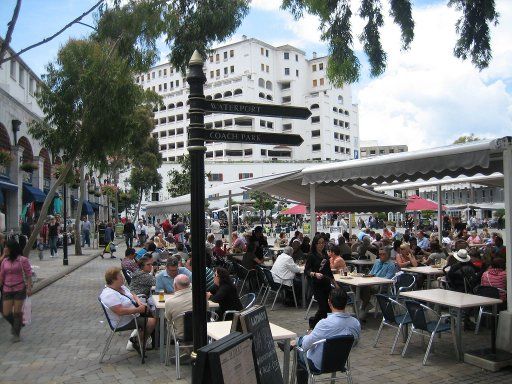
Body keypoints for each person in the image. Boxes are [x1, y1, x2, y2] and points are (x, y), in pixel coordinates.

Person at [295, 288, 361, 384]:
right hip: (340, 362)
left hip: (319, 364)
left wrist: (303, 339)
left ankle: (293, 343)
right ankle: (294, 342)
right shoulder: (355, 323)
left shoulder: (324, 324)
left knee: (299, 349)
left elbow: (305, 346)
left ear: (329, 302)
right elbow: (354, 343)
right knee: (309, 340)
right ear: (346, 303)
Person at [99, 267, 156, 356]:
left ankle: (148, 340)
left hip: (133, 314)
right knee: (152, 321)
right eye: (120, 276)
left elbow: (132, 294)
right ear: (114, 279)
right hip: (123, 320)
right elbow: (120, 311)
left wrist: (139, 302)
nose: (123, 278)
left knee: (154, 313)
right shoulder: (109, 295)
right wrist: (138, 309)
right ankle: (138, 341)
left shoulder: (121, 287)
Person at [0, 240, 32, 342]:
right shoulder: (4, 261)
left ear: (12, 249)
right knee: (6, 313)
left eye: (6, 247)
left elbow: (28, 274)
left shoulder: (22, 260)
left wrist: (29, 287)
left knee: (17, 312)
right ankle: (18, 324)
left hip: (19, 288)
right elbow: (1, 275)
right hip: (7, 289)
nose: (4, 249)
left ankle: (16, 333)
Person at [305, 235, 334, 329]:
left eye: (323, 242)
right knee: (323, 307)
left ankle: (325, 327)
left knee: (329, 308)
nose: (321, 245)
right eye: (319, 243)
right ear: (315, 244)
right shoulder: (311, 255)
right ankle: (313, 322)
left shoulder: (325, 255)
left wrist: (335, 284)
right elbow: (307, 271)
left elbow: (329, 271)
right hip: (317, 285)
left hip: (326, 284)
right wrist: (315, 274)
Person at [360, 247, 396, 318]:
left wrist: (375, 280)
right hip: (371, 283)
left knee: (365, 288)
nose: (381, 256)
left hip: (382, 286)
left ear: (388, 255)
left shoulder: (391, 265)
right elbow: (371, 272)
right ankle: (367, 304)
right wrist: (367, 276)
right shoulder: (377, 261)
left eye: (383, 254)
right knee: (356, 286)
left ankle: (364, 307)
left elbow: (387, 279)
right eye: (380, 254)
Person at [164, 274, 193, 339]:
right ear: (189, 285)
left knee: (168, 323)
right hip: (201, 332)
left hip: (181, 334)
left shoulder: (170, 302)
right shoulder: (201, 298)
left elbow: (169, 319)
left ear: (175, 285)